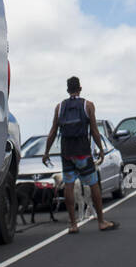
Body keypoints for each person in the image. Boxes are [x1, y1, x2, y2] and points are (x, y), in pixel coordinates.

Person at [43, 76, 118, 234]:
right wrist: (101, 150)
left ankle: (73, 224)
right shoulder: (88, 105)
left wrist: (46, 152)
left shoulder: (60, 107)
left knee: (69, 186)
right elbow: (95, 132)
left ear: (67, 89)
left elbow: (52, 132)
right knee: (93, 184)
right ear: (80, 88)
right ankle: (101, 221)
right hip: (83, 152)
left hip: (67, 153)